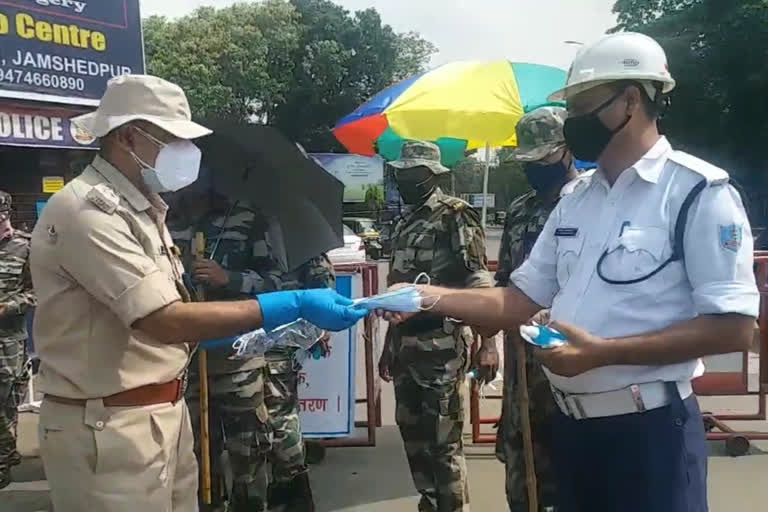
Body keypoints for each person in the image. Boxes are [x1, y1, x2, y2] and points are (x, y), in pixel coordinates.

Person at [380, 33, 758, 512]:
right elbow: (518, 299)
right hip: (572, 431)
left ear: (631, 100)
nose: (572, 122)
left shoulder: (697, 193)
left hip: (649, 433)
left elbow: (734, 328)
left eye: (582, 107)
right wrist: (425, 296)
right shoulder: (576, 201)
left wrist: (601, 354)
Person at [29, 74, 366, 512]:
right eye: (173, 140)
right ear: (129, 137)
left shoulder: (144, 210)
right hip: (108, 426)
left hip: (155, 414)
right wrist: (287, 305)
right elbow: (163, 320)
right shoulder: (91, 213)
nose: (188, 156)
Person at [168, 171, 333, 511]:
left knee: (250, 452)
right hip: (184, 359)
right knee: (194, 455)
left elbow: (274, 283)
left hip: (239, 359)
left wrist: (228, 278)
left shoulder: (244, 219)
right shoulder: (162, 221)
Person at [377, 141, 495, 512]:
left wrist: (487, 342)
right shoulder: (405, 220)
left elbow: (478, 282)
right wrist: (388, 345)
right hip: (405, 351)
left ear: (428, 175)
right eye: (400, 172)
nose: (402, 178)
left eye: (409, 172)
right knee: (414, 442)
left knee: (444, 447)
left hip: (440, 350)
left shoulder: (455, 215)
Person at [494, 106, 587, 512]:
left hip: (572, 363)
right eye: (528, 161)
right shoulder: (518, 210)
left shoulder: (589, 205)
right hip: (520, 365)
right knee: (521, 471)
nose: (534, 169)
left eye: (543, 159)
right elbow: (504, 281)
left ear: (567, 150)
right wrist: (486, 339)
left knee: (570, 476)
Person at [0, 191, 35, 489]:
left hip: (8, 342)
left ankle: (3, 462)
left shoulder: (24, 246)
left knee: (6, 403)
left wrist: (6, 307)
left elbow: (38, 292)